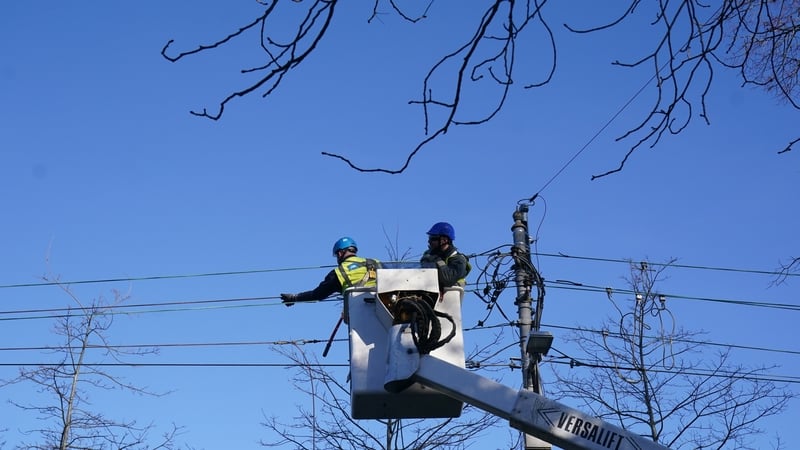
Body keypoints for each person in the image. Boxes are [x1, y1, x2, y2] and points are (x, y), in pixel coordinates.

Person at [280, 237, 381, 306]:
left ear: (340, 253)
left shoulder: (339, 272)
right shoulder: (375, 262)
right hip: (386, 307)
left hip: (359, 312)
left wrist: (294, 298)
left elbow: (317, 295)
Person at [420, 222, 471, 289]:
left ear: (444, 240)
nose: (429, 241)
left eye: (433, 238)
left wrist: (437, 261)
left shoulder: (459, 260)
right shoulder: (429, 255)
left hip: (448, 296)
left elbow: (448, 280)